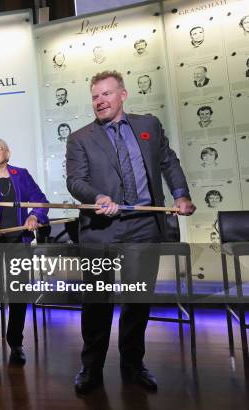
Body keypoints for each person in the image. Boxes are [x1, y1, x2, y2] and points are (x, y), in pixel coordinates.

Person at [66, 70, 195, 394]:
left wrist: (180, 194)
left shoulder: (148, 125)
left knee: (138, 300)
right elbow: (75, 180)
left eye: (106, 94)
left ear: (122, 95)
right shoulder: (80, 138)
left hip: (143, 228)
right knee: (97, 302)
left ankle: (133, 364)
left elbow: (168, 161)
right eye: (95, 96)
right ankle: (91, 367)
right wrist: (97, 197)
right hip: (102, 231)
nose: (100, 101)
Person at [0, 137, 49, 367]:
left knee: (18, 296)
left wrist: (35, 216)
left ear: (8, 152)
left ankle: (16, 343)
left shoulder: (21, 175)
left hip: (18, 243)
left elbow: (40, 201)